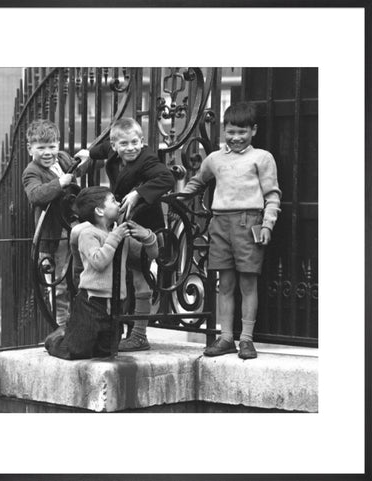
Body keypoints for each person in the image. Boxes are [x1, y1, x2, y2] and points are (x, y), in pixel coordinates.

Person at [180, 102, 281, 359]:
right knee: (224, 284)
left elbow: (272, 196)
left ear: (253, 130)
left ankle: (246, 339)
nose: (236, 138)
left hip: (249, 224)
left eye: (242, 132)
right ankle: (226, 338)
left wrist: (267, 224)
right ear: (224, 131)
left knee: (248, 282)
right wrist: (178, 198)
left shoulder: (262, 158)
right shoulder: (214, 159)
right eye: (231, 132)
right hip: (220, 224)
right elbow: (197, 182)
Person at [74, 118, 175, 351]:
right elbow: (99, 150)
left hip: (145, 227)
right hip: (122, 224)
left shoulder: (147, 159)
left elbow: (167, 178)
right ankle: (111, 325)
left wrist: (139, 193)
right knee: (120, 277)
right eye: (124, 144)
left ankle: (139, 335)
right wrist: (88, 153)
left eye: (135, 142)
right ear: (115, 145)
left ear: (142, 141)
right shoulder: (112, 150)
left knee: (140, 279)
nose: (130, 148)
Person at [44, 186, 158, 360]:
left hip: (116, 304)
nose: (119, 203)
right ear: (99, 210)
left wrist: (147, 236)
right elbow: (98, 261)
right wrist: (116, 237)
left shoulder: (119, 234)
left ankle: (73, 334)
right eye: (113, 201)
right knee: (77, 351)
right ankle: (56, 338)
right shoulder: (88, 234)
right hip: (91, 302)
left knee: (105, 351)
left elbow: (150, 256)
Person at [22, 119, 85, 327]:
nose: (48, 152)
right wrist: (59, 183)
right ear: (30, 149)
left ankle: (79, 320)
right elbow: (36, 195)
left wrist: (87, 159)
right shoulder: (32, 171)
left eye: (52, 146)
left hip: (73, 227)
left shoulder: (64, 158)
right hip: (54, 236)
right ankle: (61, 326)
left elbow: (79, 169)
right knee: (58, 283)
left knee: (78, 275)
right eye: (41, 148)